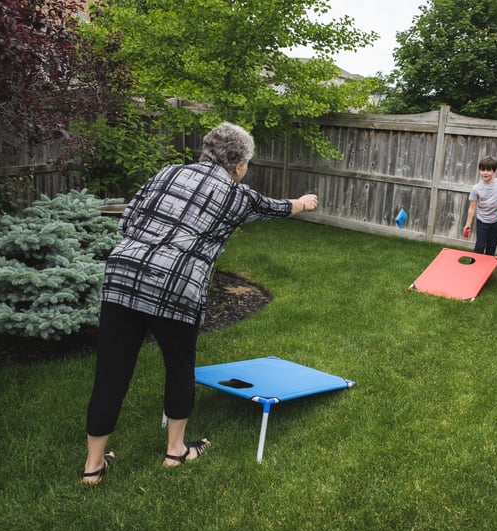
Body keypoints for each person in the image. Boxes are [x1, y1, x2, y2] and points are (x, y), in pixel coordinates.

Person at [81, 122, 319, 485]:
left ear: (206, 151)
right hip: (176, 286)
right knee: (179, 368)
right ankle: (175, 451)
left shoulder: (166, 172)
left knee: (111, 373)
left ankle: (93, 467)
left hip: (122, 276)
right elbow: (278, 208)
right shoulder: (238, 195)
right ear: (238, 166)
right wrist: (303, 203)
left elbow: (128, 218)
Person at [462, 155, 497, 255]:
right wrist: (468, 224)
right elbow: (472, 207)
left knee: (491, 249)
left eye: (488, 170)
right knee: (480, 246)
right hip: (482, 221)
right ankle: (473, 269)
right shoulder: (476, 188)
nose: (485, 172)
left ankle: (487, 270)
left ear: (494, 171)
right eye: (482, 170)